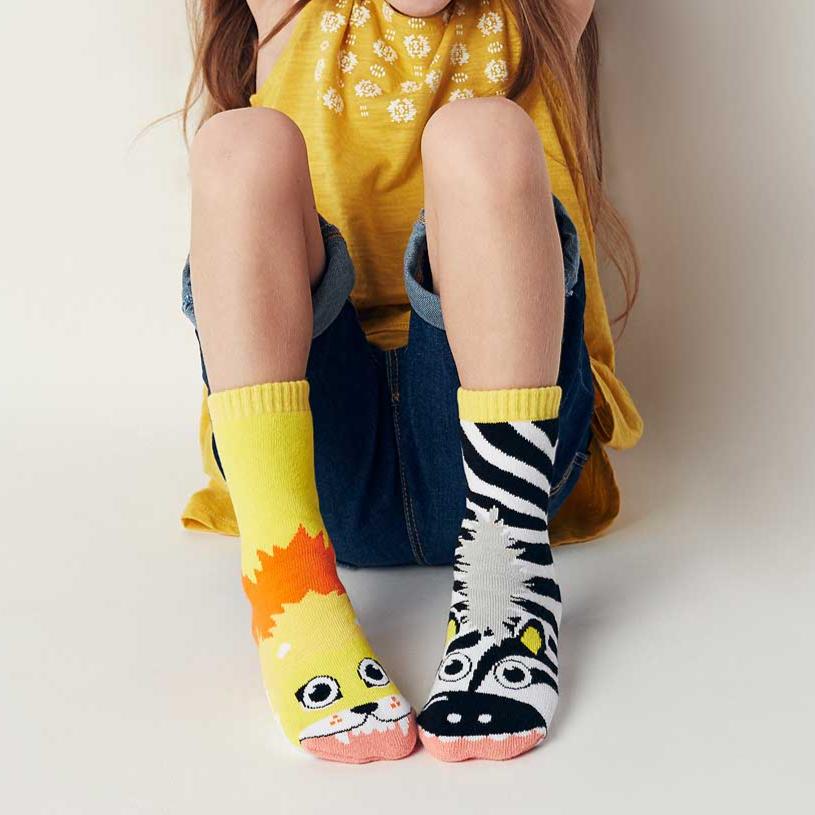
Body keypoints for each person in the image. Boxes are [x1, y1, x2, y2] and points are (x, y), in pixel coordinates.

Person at [179, 0, 642, 763]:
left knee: (481, 134)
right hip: (315, 470)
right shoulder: (289, 15)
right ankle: (288, 587)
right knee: (237, 144)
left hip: (509, 467)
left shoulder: (537, 17)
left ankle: (505, 583)